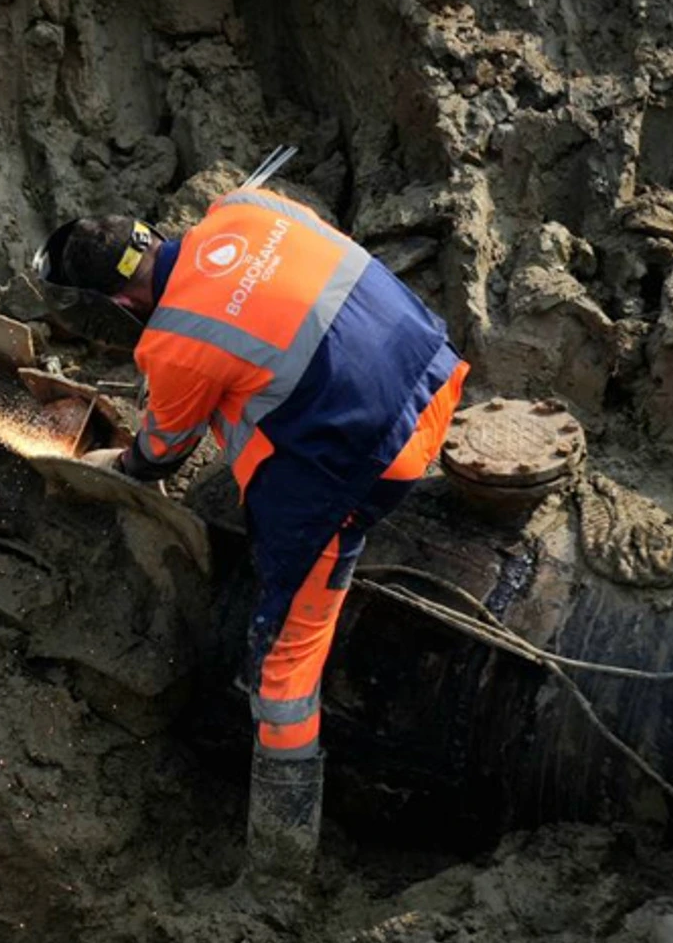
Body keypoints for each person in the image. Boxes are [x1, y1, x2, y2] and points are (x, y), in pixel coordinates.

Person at [30, 163, 470, 894]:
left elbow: (159, 452)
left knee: (281, 669)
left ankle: (276, 875)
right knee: (253, 385)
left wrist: (118, 461)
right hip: (437, 375)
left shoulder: (171, 343)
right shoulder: (245, 206)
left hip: (377, 460)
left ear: (112, 303)